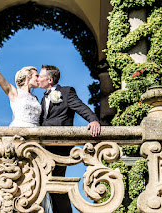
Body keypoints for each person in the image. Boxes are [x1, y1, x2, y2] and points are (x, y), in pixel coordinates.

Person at [0, 49, 53, 213]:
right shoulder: (14, 93)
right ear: (27, 77)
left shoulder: (37, 99)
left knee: (36, 179)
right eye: (36, 76)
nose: (38, 78)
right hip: (18, 137)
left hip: (36, 139)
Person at [38, 65, 101, 213]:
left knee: (57, 182)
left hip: (59, 146)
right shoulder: (43, 98)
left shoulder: (66, 92)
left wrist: (93, 120)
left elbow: (80, 107)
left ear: (50, 79)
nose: (38, 79)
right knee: (46, 183)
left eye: (40, 76)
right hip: (42, 146)